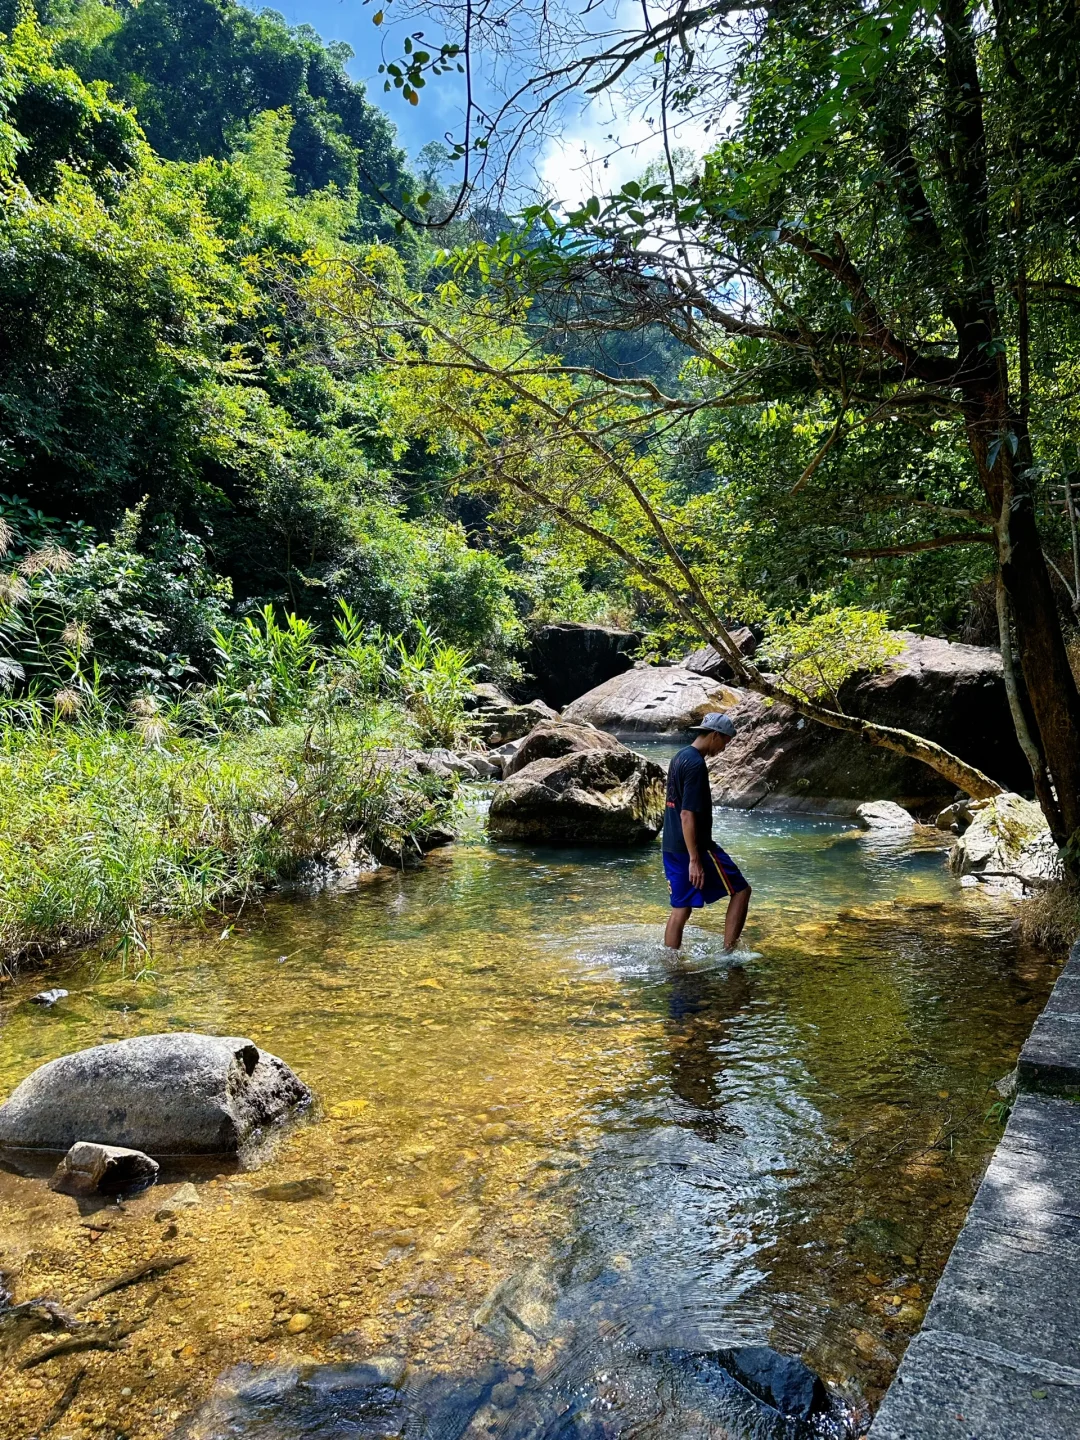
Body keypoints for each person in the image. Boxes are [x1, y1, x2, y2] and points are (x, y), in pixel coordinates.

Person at [662, 713, 751, 952]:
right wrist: (694, 859)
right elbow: (687, 814)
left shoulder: (679, 757)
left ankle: (671, 965)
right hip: (695, 847)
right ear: (715, 735)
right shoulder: (696, 765)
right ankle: (729, 953)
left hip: (671, 844)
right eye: (725, 741)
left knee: (681, 908)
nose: (724, 748)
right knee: (741, 890)